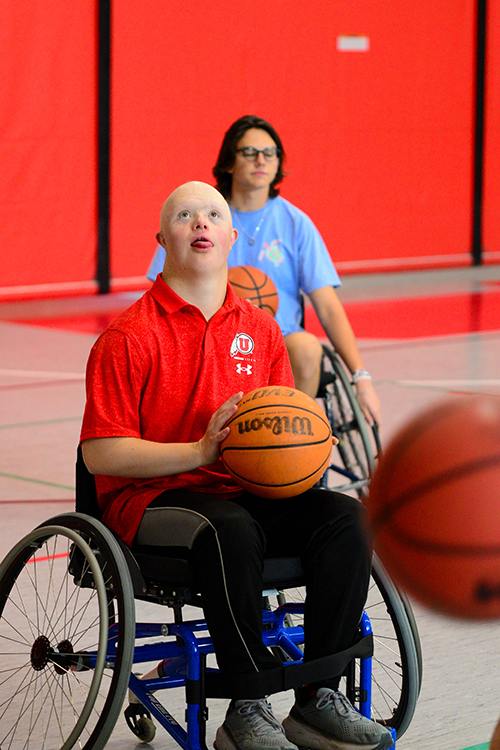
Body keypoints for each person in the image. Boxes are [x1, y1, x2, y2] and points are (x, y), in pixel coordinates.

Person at [81, 181, 392, 750]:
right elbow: (101, 453)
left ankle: (318, 696)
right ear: (162, 239)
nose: (200, 222)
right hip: (154, 499)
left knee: (346, 516)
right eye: (183, 215)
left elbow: (281, 438)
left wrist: (304, 450)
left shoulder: (262, 329)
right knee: (229, 528)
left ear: (231, 237)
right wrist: (200, 452)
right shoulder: (128, 337)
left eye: (212, 215)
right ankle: (246, 709)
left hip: (243, 492)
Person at [146, 116, 381, 425]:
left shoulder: (296, 224)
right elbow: (163, 288)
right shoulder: (205, 217)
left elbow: (327, 306)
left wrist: (360, 377)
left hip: (280, 339)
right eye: (250, 152)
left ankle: (292, 436)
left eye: (270, 153)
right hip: (211, 336)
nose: (261, 160)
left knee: (309, 348)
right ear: (230, 161)